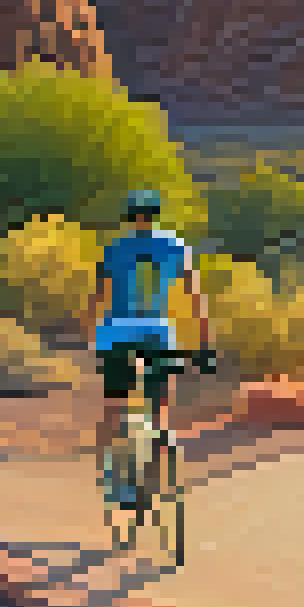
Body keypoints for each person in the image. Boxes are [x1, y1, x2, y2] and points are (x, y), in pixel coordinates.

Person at [80, 190, 216, 501]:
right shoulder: (176, 247)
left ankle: (113, 480)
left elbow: (97, 298)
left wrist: (90, 340)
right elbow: (196, 297)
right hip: (158, 334)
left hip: (116, 334)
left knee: (114, 407)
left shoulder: (113, 249)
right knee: (159, 409)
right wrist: (204, 344)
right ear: (156, 216)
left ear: (129, 218)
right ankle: (154, 473)